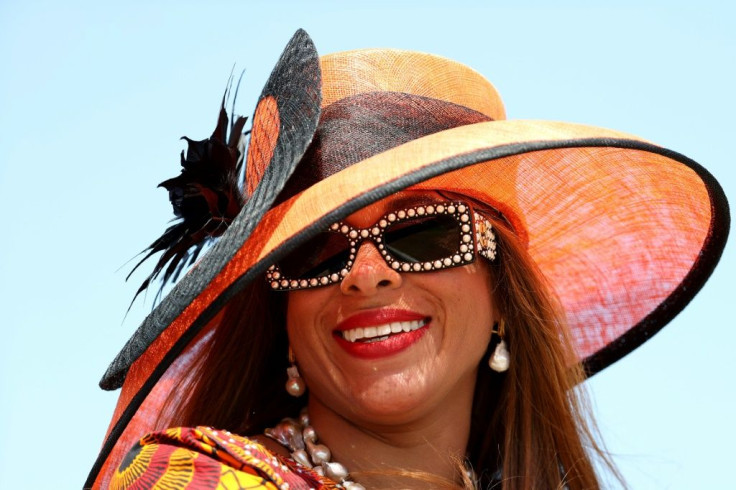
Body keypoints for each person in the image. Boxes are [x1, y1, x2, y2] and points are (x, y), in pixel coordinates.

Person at [86, 30, 729, 489]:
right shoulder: (190, 482)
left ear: (502, 291)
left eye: (425, 234)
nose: (368, 272)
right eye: (318, 249)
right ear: (282, 314)